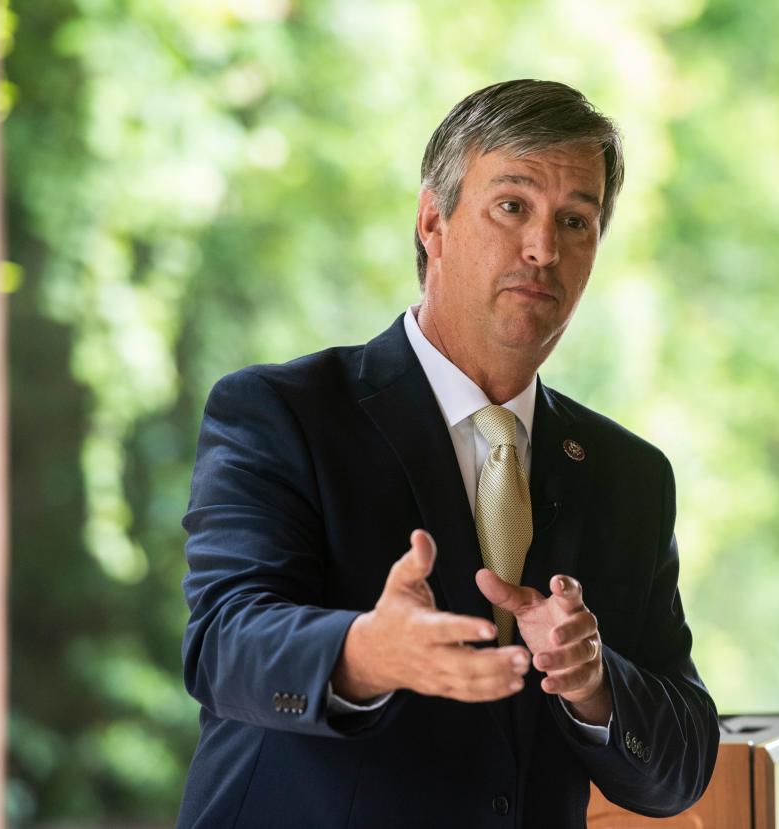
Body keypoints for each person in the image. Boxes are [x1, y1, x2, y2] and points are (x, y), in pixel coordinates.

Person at [176, 79, 719, 827]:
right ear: (434, 220)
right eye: (512, 206)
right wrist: (368, 651)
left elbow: (684, 766)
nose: (543, 247)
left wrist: (595, 682)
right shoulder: (280, 413)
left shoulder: (632, 477)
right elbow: (223, 645)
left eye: (576, 220)